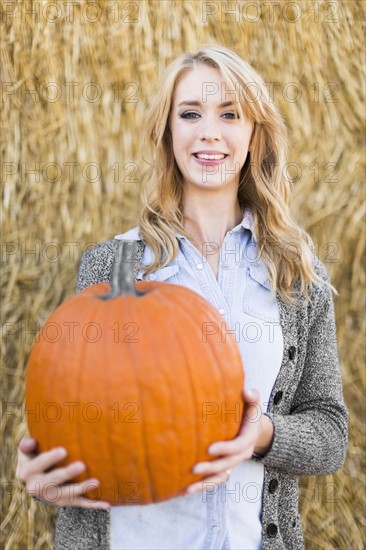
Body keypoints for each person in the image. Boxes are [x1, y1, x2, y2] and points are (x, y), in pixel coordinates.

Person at [17, 43, 348, 550]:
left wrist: (260, 435)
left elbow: (330, 433)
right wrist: (45, 479)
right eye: (190, 113)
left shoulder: (297, 276)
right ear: (168, 133)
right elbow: (77, 419)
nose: (209, 132)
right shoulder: (114, 266)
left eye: (230, 114)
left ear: (254, 134)